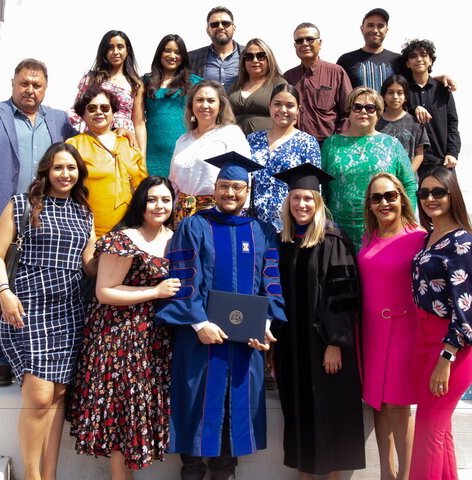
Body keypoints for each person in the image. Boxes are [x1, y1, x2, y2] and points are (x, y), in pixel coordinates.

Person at [155, 151, 287, 480]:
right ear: (214, 189)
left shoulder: (262, 231)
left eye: (238, 188)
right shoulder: (192, 226)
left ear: (248, 192)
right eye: (225, 186)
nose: (231, 193)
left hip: (246, 342)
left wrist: (265, 322)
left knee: (233, 414)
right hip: (200, 340)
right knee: (198, 408)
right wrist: (199, 323)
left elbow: (271, 282)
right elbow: (183, 280)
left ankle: (225, 474)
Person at [0, 142, 96, 480]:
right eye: (58, 168)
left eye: (71, 168)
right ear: (46, 171)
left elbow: (90, 267)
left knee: (58, 396)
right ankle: (33, 477)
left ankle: (49, 475)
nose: (65, 174)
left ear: (79, 172)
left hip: (70, 309)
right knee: (38, 396)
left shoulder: (84, 212)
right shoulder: (22, 204)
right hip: (29, 306)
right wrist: (4, 292)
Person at [67, 176, 181, 476]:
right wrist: (155, 292)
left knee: (137, 418)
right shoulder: (124, 239)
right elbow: (105, 291)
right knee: (121, 419)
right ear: (141, 202)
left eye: (165, 200)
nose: (159, 205)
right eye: (152, 199)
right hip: (119, 339)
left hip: (154, 340)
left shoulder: (175, 237)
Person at [273, 163, 365, 479]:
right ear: (288, 201)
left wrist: (335, 343)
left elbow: (343, 295)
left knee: (328, 418)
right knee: (300, 416)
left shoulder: (332, 239)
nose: (301, 205)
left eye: (308, 199)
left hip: (323, 347)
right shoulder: (283, 241)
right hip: (293, 348)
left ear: (318, 202)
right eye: (296, 198)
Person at [0, 58, 77, 387]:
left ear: (45, 87)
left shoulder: (58, 119)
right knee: (1, 286)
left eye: (36, 84)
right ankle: (0, 360)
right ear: (13, 83)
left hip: (45, 219)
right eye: (24, 83)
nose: (30, 89)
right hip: (4, 212)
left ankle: (30, 355)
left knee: (33, 290)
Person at [359, 173, 426, 480]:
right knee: (379, 405)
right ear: (370, 206)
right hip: (372, 333)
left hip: (403, 332)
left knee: (399, 407)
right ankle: (387, 474)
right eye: (377, 198)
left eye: (390, 196)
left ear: (402, 198)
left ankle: (407, 476)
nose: (384, 203)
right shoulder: (367, 238)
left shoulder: (420, 237)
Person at [410, 167, 472, 479]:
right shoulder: (429, 237)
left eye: (438, 192)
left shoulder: (462, 242)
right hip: (423, 339)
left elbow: (467, 308)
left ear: (452, 194)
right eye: (424, 193)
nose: (430, 198)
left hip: (451, 346)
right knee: (439, 431)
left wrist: (446, 358)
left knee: (428, 432)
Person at [321, 86, 416, 252]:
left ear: (378, 113)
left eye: (370, 108)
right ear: (349, 112)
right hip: (339, 231)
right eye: (357, 107)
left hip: (382, 227)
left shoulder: (392, 144)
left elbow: (409, 185)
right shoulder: (331, 144)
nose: (363, 112)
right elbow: (322, 188)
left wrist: (405, 222)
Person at [66, 84, 147, 237]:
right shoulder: (74, 146)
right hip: (90, 234)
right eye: (92, 108)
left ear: (113, 112)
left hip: (130, 233)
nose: (99, 112)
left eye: (105, 108)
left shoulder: (129, 142)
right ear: (83, 114)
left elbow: (144, 188)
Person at [169, 79, 250, 223]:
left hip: (216, 214)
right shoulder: (182, 140)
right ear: (191, 105)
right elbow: (173, 183)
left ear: (220, 107)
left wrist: (240, 213)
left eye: (211, 100)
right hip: (181, 215)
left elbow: (243, 176)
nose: (204, 105)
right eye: (199, 100)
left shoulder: (231, 134)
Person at [247, 83, 321, 232]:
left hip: (290, 227)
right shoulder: (252, 140)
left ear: (298, 109)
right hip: (254, 225)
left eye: (289, 105)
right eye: (277, 104)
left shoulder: (307, 142)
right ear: (269, 106)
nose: (283, 110)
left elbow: (314, 191)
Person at [336, 8, 456, 93]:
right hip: (359, 125)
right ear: (362, 29)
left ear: (387, 30)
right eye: (370, 25)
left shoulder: (398, 60)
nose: (375, 30)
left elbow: (416, 82)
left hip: (393, 125)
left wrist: (439, 78)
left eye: (380, 26)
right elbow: (336, 93)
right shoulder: (346, 60)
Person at [135, 34, 202, 176]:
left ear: (183, 56)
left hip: (183, 151)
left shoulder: (194, 83)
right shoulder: (145, 82)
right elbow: (139, 122)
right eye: (167, 51)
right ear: (159, 53)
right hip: (151, 151)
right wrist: (141, 155)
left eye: (177, 52)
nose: (172, 56)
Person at [284, 22, 352, 145]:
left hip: (327, 145)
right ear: (295, 46)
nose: (304, 43)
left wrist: (337, 141)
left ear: (320, 43)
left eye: (310, 39)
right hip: (295, 146)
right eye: (299, 41)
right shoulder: (288, 77)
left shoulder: (336, 73)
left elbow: (348, 112)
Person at [68, 30, 143, 142]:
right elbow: (78, 110)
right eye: (110, 48)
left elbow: (139, 124)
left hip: (124, 140)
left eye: (120, 47)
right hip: (95, 136)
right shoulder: (92, 78)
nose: (115, 52)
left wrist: (142, 154)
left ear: (127, 51)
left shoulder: (135, 84)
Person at [401, 39, 460, 178]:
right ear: (407, 63)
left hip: (441, 160)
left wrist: (452, 153)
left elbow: (452, 124)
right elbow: (395, 113)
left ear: (431, 60)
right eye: (413, 56)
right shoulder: (402, 91)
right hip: (413, 161)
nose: (419, 59)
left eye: (423, 55)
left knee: (446, 198)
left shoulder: (443, 89)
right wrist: (413, 109)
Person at [228, 38, 286, 135]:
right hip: (237, 144)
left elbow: (287, 115)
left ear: (269, 59)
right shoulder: (236, 85)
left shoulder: (279, 84)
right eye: (249, 57)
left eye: (260, 56)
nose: (255, 61)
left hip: (268, 144)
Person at [376, 75, 429, 172]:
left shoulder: (415, 122)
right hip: (381, 180)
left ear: (406, 97)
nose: (395, 97)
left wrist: (407, 175)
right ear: (383, 96)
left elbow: (419, 154)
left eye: (400, 93)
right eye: (390, 93)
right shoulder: (375, 122)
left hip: (407, 181)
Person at [188, 6, 244, 93]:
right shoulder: (192, 58)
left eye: (225, 23)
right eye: (215, 24)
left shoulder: (249, 55)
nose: (220, 27)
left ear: (234, 28)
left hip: (240, 107)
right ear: (208, 30)